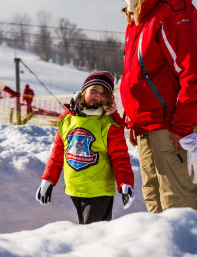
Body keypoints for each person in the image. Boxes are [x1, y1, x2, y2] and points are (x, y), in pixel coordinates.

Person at [116, 0, 197, 213]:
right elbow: (139, 75)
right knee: (155, 205)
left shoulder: (172, 10)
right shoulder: (138, 17)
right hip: (148, 125)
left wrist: (184, 127)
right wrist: (133, 119)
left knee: (177, 206)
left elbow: (194, 72)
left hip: (172, 127)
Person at [36, 72, 135, 224]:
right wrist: (48, 180)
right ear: (84, 91)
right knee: (86, 234)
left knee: (93, 236)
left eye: (104, 93)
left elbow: (120, 157)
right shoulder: (66, 120)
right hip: (75, 189)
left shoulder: (109, 125)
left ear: (109, 98)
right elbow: (57, 154)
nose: (98, 95)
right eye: (94, 90)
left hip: (98, 191)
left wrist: (125, 183)